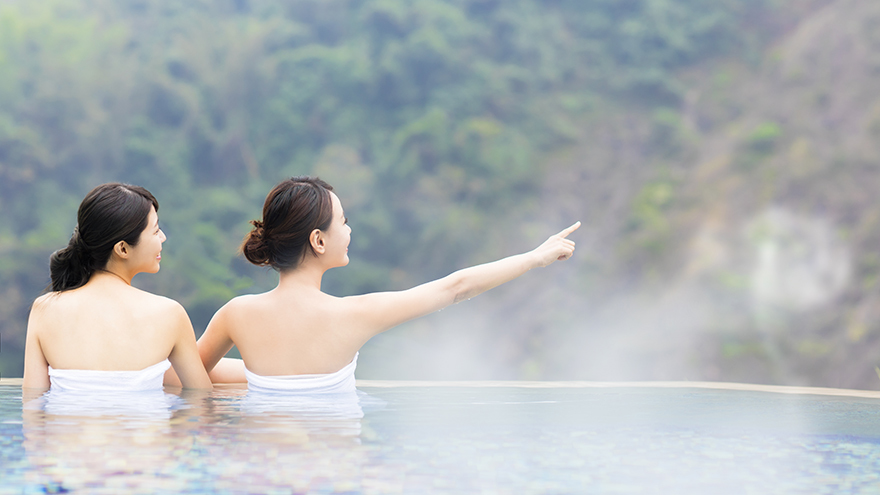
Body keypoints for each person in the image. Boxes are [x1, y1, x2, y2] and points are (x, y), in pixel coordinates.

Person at [198, 176, 578, 391]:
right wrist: (534, 258)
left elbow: (180, 375)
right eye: (343, 221)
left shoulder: (237, 314)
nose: (349, 229)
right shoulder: (354, 315)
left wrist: (258, 377)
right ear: (318, 240)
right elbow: (455, 287)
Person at [22, 183, 212, 391]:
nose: (162, 237)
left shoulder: (45, 308)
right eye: (155, 231)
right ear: (122, 248)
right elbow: (200, 400)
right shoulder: (170, 313)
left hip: (69, 423)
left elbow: (33, 407)